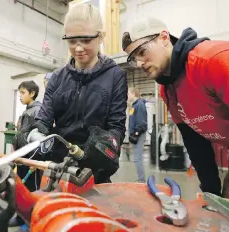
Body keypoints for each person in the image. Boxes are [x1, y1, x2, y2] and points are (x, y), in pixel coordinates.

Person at [122, 17, 229, 203]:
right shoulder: (167, 89)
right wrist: (211, 193)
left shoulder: (214, 61)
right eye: (133, 59)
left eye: (142, 52)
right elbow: (195, 142)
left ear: (163, 37)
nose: (140, 63)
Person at [27, 4, 128, 184]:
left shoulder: (115, 76)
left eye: (86, 40)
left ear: (101, 37)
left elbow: (117, 127)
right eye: (72, 41)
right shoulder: (57, 78)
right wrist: (35, 131)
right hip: (58, 169)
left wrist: (106, 145)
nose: (78, 48)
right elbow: (44, 119)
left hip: (95, 170)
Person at [10, 81, 42, 229]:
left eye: (23, 93)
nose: (20, 96)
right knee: (21, 188)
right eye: (20, 93)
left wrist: (37, 159)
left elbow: (41, 137)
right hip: (22, 157)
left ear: (32, 93)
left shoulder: (38, 110)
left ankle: (30, 221)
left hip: (31, 159)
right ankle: (21, 218)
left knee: (31, 190)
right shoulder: (26, 111)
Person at [128, 87, 147, 182]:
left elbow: (141, 122)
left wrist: (136, 133)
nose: (127, 96)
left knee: (137, 158)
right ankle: (141, 179)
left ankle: (142, 180)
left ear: (133, 94)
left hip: (138, 134)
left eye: (128, 93)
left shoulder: (139, 104)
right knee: (137, 157)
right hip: (135, 134)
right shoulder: (134, 106)